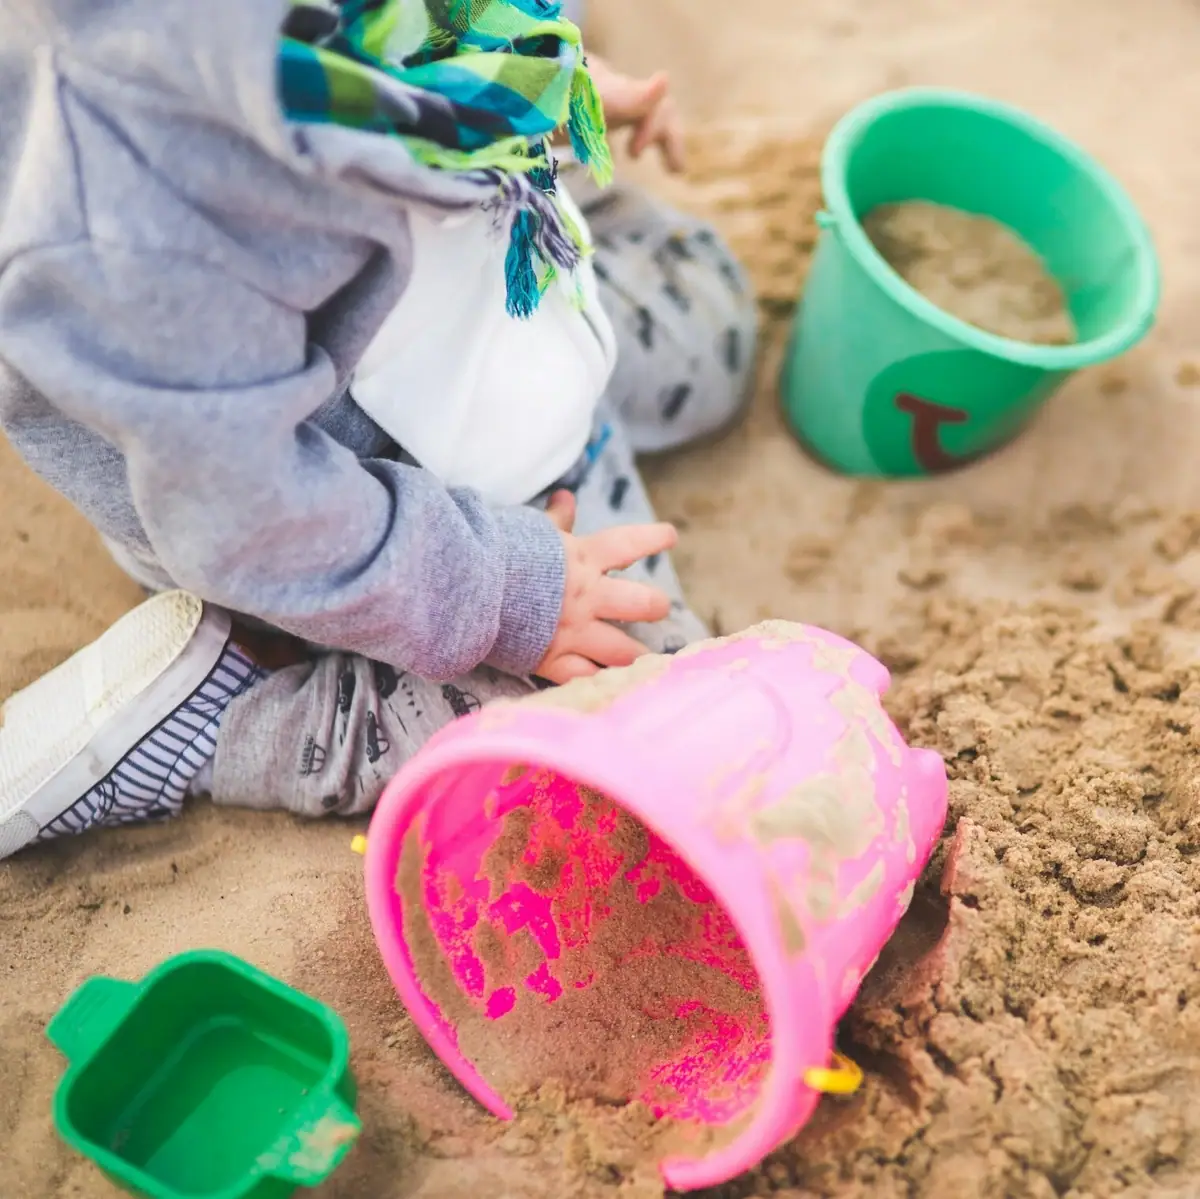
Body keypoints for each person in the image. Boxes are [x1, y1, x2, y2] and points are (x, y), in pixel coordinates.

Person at [0, 0, 756, 859]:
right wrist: (512, 593)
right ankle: (228, 715)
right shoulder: (131, 215)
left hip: (486, 311)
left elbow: (432, 34)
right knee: (641, 702)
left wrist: (538, 88)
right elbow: (255, 520)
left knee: (717, 324)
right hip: (375, 513)